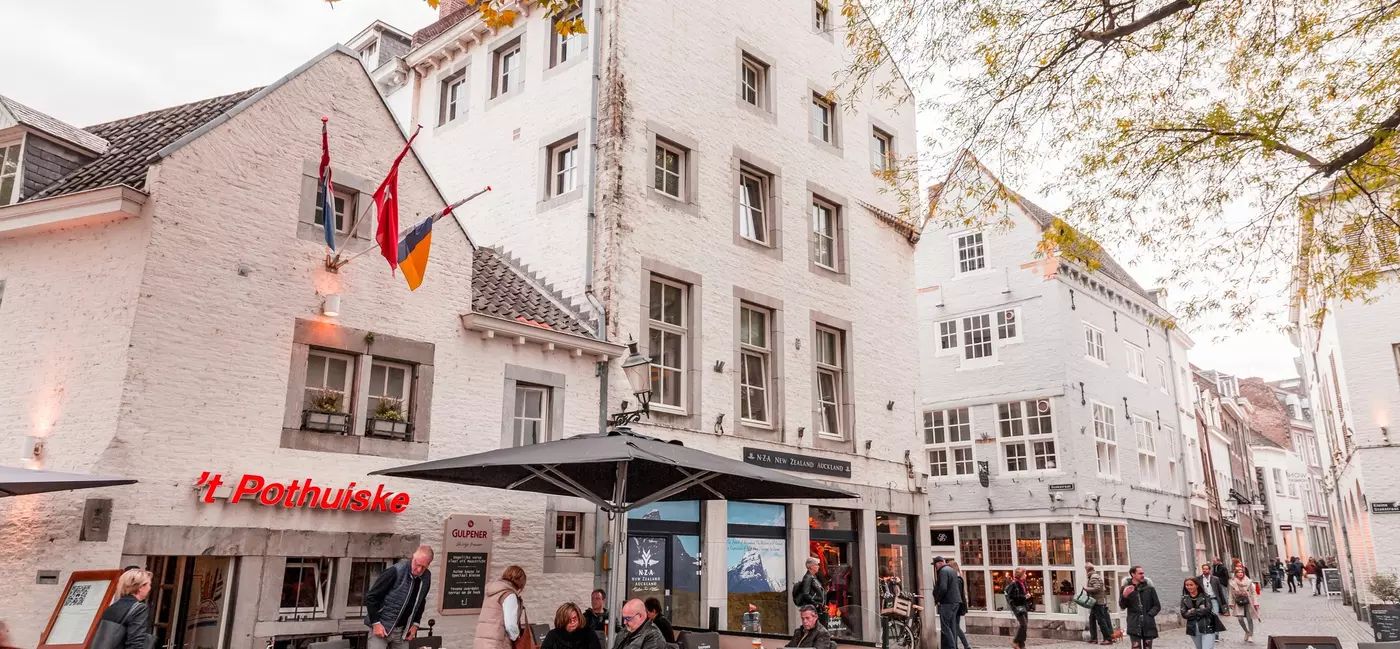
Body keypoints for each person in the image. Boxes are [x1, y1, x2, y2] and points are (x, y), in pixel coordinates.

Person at [367, 546, 434, 649]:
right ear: (413, 558)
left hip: (402, 632)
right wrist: (376, 623)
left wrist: (415, 624)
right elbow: (371, 597)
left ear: (429, 565)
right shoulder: (395, 571)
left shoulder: (426, 577)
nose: (419, 569)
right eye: (417, 564)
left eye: (423, 567)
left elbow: (421, 602)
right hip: (382, 627)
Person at [93, 568, 152, 649]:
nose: (149, 588)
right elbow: (135, 643)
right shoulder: (139, 609)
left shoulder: (111, 608)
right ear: (140, 587)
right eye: (149, 584)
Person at [476, 565, 529, 649]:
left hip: (482, 642)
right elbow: (510, 625)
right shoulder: (509, 595)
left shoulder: (492, 591)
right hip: (497, 643)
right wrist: (516, 637)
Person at [1120, 566, 1161, 649]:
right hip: (1134, 624)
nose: (1143, 575)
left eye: (1143, 573)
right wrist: (1124, 596)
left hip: (1148, 624)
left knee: (1148, 647)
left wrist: (1149, 615)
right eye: (1140, 573)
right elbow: (1122, 606)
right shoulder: (1126, 588)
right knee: (1136, 647)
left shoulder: (1149, 588)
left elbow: (1157, 605)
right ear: (1133, 574)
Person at [1180, 577, 1224, 649]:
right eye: (1187, 585)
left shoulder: (1205, 596)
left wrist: (1192, 611)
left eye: (1191, 585)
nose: (1189, 587)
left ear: (1196, 585)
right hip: (1193, 627)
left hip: (1207, 626)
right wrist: (1200, 610)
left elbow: (1208, 610)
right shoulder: (1184, 598)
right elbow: (1184, 614)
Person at [932, 556, 964, 649]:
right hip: (956, 602)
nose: (935, 567)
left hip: (947, 602)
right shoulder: (952, 571)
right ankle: (954, 646)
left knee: (945, 627)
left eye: (935, 565)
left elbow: (943, 587)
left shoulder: (943, 571)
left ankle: (952, 647)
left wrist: (938, 599)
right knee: (952, 626)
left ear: (939, 563)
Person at [1228, 566, 1259, 642]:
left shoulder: (1249, 581)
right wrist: (1230, 602)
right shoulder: (1232, 582)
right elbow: (1230, 593)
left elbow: (1254, 592)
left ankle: (1250, 635)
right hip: (1238, 601)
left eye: (1241, 572)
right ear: (1236, 574)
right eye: (1238, 572)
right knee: (1240, 619)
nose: (1240, 573)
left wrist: (1255, 602)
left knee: (1249, 619)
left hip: (1248, 601)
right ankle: (1246, 632)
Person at [1085, 563, 1114, 645]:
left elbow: (1097, 588)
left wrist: (1086, 589)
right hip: (1096, 602)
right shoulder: (1093, 576)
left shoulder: (1094, 577)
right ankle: (1094, 638)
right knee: (1092, 620)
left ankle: (1108, 639)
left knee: (1101, 620)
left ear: (1087, 569)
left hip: (1098, 602)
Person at [794, 558, 828, 627]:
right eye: (817, 565)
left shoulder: (814, 577)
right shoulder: (808, 578)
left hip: (817, 609)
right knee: (813, 627)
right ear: (811, 566)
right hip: (813, 609)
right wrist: (816, 604)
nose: (818, 566)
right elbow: (805, 593)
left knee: (818, 627)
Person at [948, 560, 974, 649]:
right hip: (958, 605)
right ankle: (955, 645)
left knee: (955, 627)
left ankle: (966, 645)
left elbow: (957, 594)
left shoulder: (957, 580)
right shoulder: (958, 578)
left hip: (957, 606)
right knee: (955, 626)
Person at [1004, 569, 1031, 649]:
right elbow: (1010, 597)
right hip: (1017, 607)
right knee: (1023, 624)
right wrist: (1024, 597)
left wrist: (1027, 596)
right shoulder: (1014, 584)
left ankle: (1021, 644)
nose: (1026, 575)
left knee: (1025, 626)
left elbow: (1023, 594)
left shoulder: (1023, 583)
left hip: (1024, 606)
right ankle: (1015, 641)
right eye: (1024, 574)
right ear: (1021, 575)